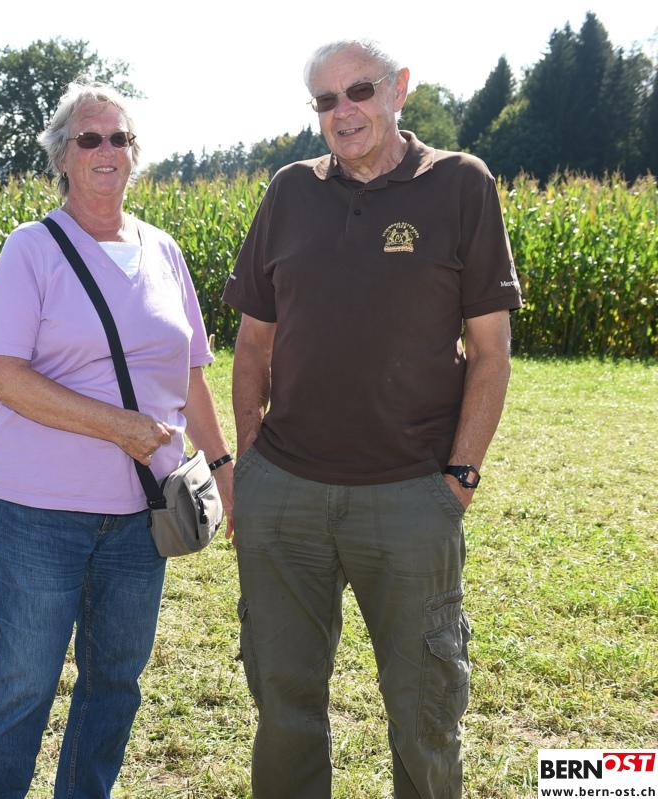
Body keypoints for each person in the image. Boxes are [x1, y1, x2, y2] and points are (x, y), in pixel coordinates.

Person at [224, 39, 521, 799]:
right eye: (326, 100)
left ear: (399, 89)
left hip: (409, 495)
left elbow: (490, 352)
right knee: (283, 708)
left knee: (424, 716)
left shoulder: (461, 183)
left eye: (359, 90)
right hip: (285, 495)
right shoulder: (290, 191)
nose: (344, 111)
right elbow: (253, 342)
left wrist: (458, 478)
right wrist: (251, 465)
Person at [0, 81, 234, 798]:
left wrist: (224, 468)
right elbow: (4, 378)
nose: (107, 150)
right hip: (36, 512)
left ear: (135, 154)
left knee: (114, 683)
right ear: (63, 156)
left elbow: (191, 375)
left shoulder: (164, 251)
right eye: (90, 138)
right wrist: (121, 428)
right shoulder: (33, 249)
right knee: (21, 687)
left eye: (120, 138)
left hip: (144, 514)